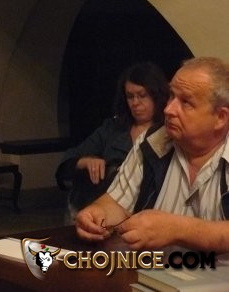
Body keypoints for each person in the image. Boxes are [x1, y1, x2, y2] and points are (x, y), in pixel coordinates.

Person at [76, 57, 229, 252]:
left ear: (220, 118)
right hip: (152, 269)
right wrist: (97, 213)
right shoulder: (153, 141)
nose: (168, 109)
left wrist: (178, 229)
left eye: (186, 102)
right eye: (171, 96)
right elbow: (117, 203)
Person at [56, 62, 169, 217]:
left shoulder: (168, 131)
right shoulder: (113, 128)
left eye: (142, 95)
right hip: (105, 206)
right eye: (130, 96)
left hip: (148, 212)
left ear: (157, 96)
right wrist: (86, 161)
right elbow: (67, 162)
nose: (135, 103)